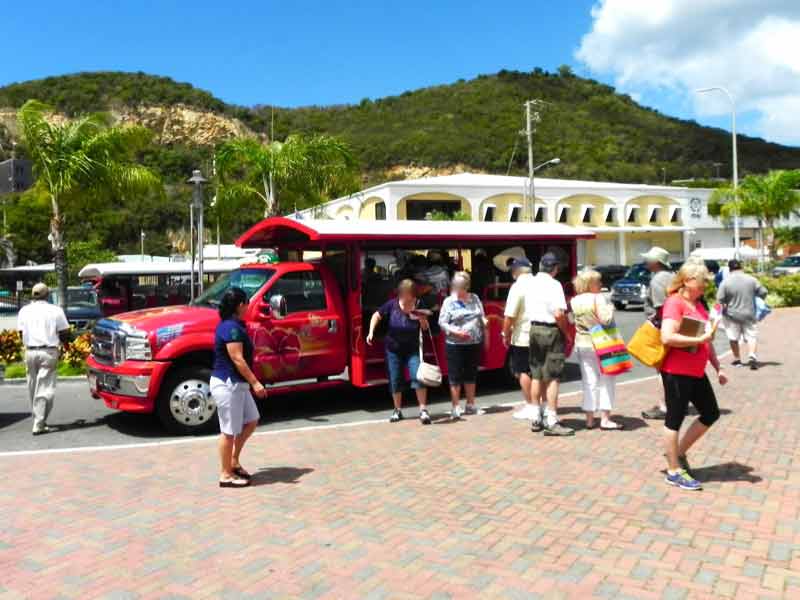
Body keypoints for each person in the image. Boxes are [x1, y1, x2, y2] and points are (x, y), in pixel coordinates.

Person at [660, 262, 727, 491]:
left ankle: (678, 454)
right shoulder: (674, 303)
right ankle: (673, 470)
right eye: (701, 282)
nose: (705, 287)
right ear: (688, 280)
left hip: (696, 370)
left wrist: (717, 366)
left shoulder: (697, 304)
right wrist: (698, 341)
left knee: (710, 413)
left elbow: (707, 337)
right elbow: (667, 337)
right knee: (674, 419)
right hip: (676, 371)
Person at [210, 287, 267, 488]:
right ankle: (225, 474)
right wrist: (255, 382)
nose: (249, 306)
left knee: (251, 421)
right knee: (228, 431)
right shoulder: (230, 328)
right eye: (247, 303)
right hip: (228, 384)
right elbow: (237, 358)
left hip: (237, 385)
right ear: (240, 305)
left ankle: (233, 461)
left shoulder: (234, 325)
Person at [367, 279, 432, 425]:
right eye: (403, 294)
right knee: (395, 378)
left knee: (418, 376)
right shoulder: (392, 304)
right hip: (393, 349)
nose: (406, 297)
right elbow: (376, 315)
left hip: (412, 348)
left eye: (408, 294)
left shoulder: (419, 304)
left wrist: (422, 320)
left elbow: (426, 328)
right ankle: (397, 410)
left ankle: (423, 410)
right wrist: (371, 332)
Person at [525, 253, 573, 436]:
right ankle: (552, 418)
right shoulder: (554, 285)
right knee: (553, 376)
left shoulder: (530, 283)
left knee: (536, 373)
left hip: (534, 329)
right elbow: (559, 314)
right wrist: (566, 332)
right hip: (550, 330)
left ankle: (536, 415)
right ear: (555, 269)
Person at [570, 269, 623, 430]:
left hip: (582, 343)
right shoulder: (598, 298)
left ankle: (589, 419)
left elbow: (571, 319)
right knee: (607, 380)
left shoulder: (575, 300)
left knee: (589, 381)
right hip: (602, 343)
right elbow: (606, 320)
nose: (601, 284)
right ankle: (605, 419)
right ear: (591, 283)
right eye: (598, 281)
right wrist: (611, 308)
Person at [16, 283, 70, 435]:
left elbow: (21, 334)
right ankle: (39, 423)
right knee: (45, 388)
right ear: (48, 295)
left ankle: (38, 418)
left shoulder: (24, 311)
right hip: (48, 351)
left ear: (33, 295)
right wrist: (66, 346)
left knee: (32, 387)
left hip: (30, 352)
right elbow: (64, 332)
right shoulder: (55, 310)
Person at [439, 271, 487, 418]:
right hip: (455, 344)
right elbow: (442, 322)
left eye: (458, 286)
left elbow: (481, 316)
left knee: (470, 375)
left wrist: (484, 323)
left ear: (465, 287)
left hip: (474, 342)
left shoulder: (475, 298)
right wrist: (456, 332)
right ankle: (455, 407)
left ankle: (470, 405)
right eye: (455, 286)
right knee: (455, 376)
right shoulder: (449, 302)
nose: (455, 289)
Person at [641, 247, 675, 421]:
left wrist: (655, 327)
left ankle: (664, 406)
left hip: (663, 327)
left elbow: (661, 309)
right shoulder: (673, 276)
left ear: (656, 262)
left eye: (648, 260)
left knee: (662, 369)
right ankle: (675, 403)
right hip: (677, 326)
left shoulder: (657, 281)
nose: (646, 263)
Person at [501, 258, 537, 420]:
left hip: (523, 335)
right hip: (542, 333)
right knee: (538, 371)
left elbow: (510, 315)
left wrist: (505, 333)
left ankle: (530, 405)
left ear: (516, 271)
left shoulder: (517, 287)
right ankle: (540, 405)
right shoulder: (541, 283)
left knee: (523, 371)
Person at [717, 259, 768, 370]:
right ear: (741, 267)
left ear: (729, 269)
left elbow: (720, 299)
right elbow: (763, 292)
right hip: (749, 313)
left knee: (733, 338)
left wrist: (725, 306)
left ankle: (737, 360)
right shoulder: (751, 279)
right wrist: (757, 299)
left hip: (731, 315)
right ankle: (752, 356)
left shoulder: (725, 282)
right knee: (751, 336)